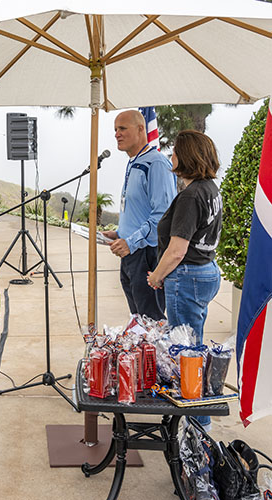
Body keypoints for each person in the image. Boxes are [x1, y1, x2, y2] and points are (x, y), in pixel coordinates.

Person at [147, 130, 222, 431]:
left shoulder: (191, 196)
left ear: (187, 156)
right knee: (194, 347)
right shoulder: (210, 189)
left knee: (187, 353)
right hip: (205, 272)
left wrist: (156, 276)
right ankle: (195, 417)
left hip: (188, 276)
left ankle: (197, 426)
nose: (171, 156)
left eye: (175, 151)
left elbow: (177, 250)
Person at [102, 110, 177, 320]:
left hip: (147, 254)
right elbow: (138, 209)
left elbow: (162, 216)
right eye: (115, 129)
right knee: (137, 320)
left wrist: (131, 242)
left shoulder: (157, 164)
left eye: (122, 128)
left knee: (150, 322)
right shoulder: (134, 161)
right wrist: (119, 233)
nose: (117, 134)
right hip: (130, 254)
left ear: (141, 129)